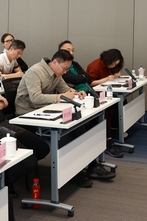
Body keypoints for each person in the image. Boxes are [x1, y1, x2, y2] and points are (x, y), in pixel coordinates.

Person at [15, 49, 115, 184]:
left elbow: (65, 89)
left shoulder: (57, 73)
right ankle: (72, 171)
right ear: (55, 62)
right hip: (27, 113)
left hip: (44, 110)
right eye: (65, 68)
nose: (65, 72)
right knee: (67, 130)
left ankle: (91, 165)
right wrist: (60, 96)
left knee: (78, 125)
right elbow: (35, 98)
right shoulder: (35, 71)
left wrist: (76, 92)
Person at [75, 44, 124, 158]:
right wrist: (106, 79)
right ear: (109, 59)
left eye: (116, 64)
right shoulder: (95, 66)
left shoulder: (109, 65)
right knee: (105, 109)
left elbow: (117, 73)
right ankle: (108, 140)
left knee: (121, 102)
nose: (113, 66)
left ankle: (115, 128)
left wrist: (115, 74)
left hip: (104, 92)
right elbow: (89, 83)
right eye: (113, 64)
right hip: (93, 93)